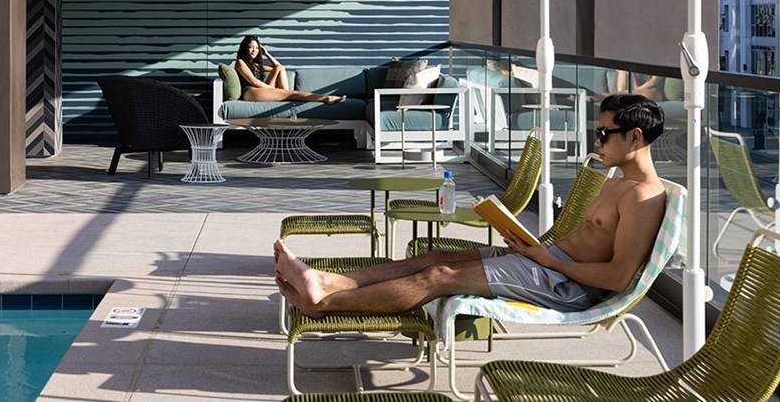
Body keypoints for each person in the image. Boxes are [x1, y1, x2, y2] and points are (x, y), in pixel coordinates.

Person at [274, 93, 667, 318]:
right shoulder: (618, 181)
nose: (597, 141)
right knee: (436, 255)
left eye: (604, 133)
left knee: (440, 276)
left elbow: (617, 278)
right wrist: (533, 247)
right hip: (547, 263)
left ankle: (324, 304)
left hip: (566, 286)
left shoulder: (642, 197)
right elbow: (587, 239)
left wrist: (549, 261)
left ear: (634, 137)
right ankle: (326, 280)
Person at [234, 35, 345, 104]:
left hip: (263, 90)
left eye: (257, 48)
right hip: (251, 92)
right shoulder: (240, 62)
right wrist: (273, 89)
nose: (254, 50)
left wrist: (267, 54)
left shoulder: (256, 64)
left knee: (279, 68)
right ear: (245, 48)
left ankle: (286, 95)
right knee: (291, 94)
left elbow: (279, 67)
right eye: (250, 47)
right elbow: (253, 81)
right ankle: (325, 98)